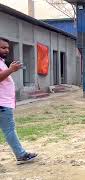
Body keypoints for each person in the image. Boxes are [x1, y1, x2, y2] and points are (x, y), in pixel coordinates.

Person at [0, 37, 37, 165]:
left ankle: (21, 154)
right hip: (2, 104)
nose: (6, 50)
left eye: (7, 48)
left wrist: (9, 68)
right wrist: (11, 70)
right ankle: (21, 155)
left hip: (4, 103)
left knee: (9, 129)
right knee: (9, 130)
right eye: (3, 47)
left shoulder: (1, 62)